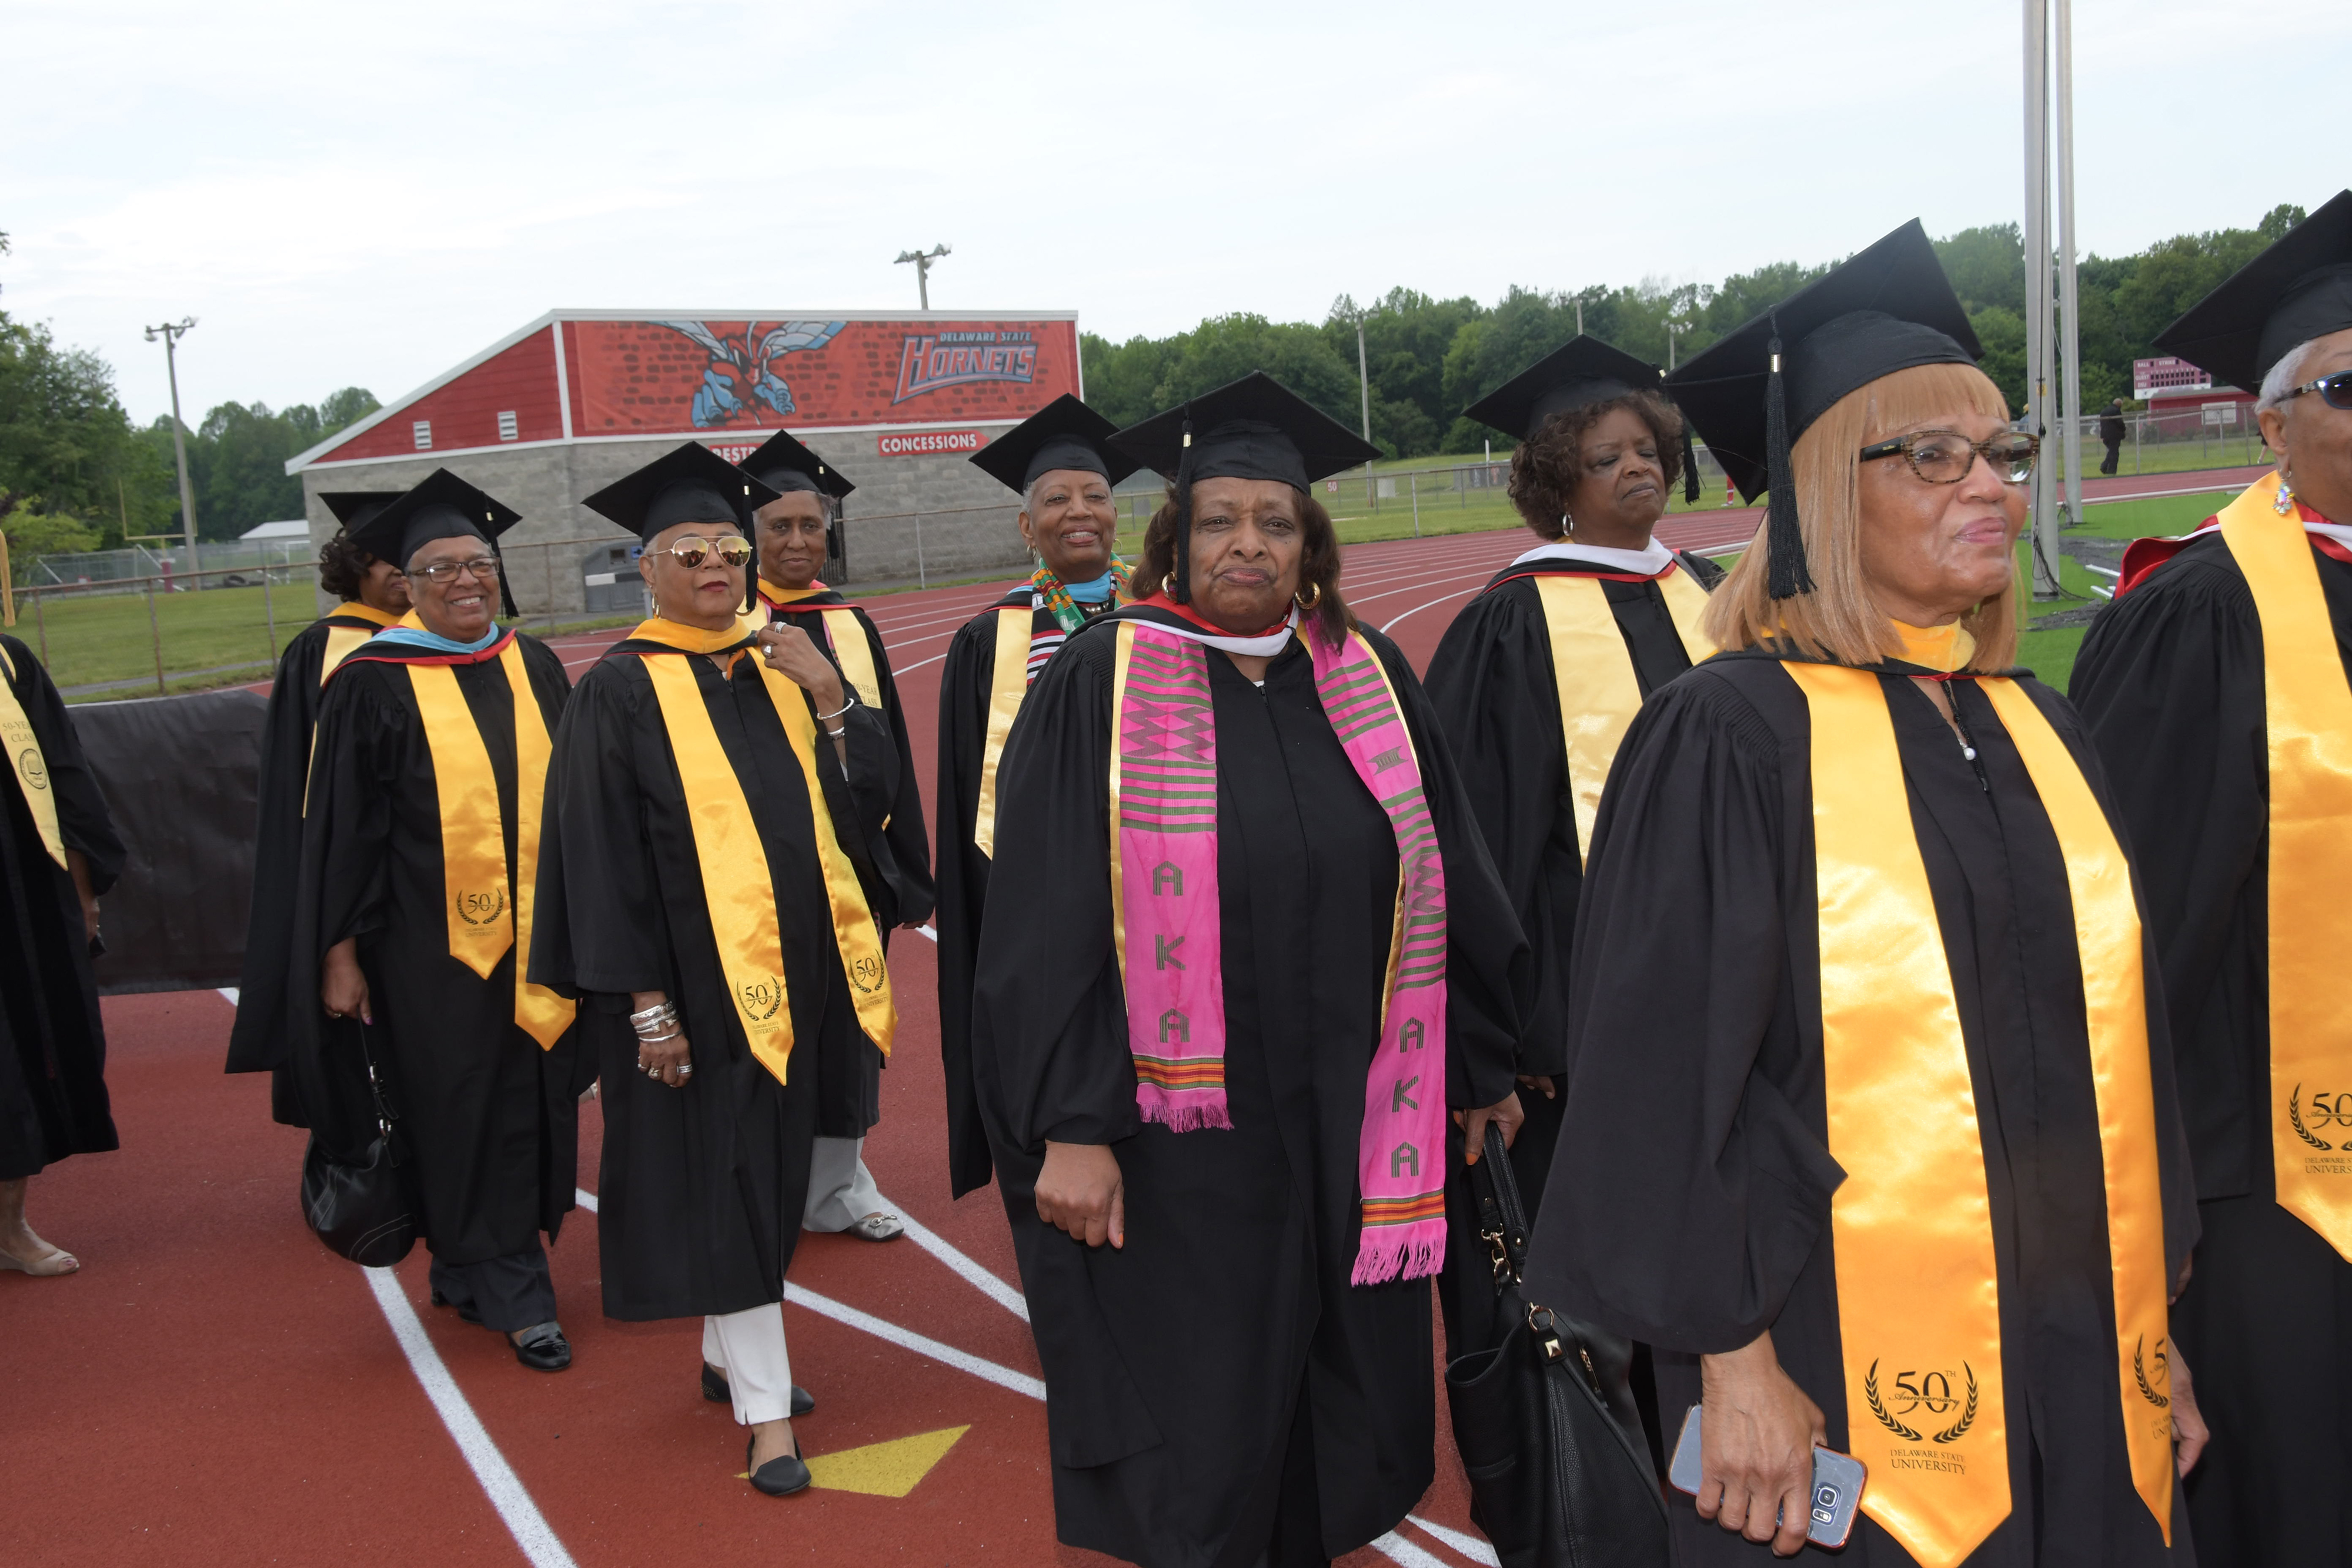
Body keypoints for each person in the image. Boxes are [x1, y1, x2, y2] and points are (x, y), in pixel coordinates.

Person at [1528, 221, 2204, 1566]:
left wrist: (2152, 1331)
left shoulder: (2035, 729)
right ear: (1829, 488)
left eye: (2002, 455)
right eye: (1934, 458)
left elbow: (2117, 1069)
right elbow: (1665, 1077)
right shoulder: (1726, 736)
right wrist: (1730, 1360)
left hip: (2080, 1352)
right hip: (1832, 1356)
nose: (1996, 490)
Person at [973, 372, 1529, 1567]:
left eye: (1273, 522)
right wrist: (1072, 1123)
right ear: (1173, 539)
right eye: (1218, 520)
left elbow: (1449, 874)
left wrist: (1479, 1063)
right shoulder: (1102, 681)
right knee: (1207, 1403)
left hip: (1353, 1102)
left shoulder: (1365, 673)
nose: (1247, 543)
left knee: (1340, 1397)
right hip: (1182, 1137)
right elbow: (1043, 919)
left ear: (1307, 542)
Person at [2069, 188, 2352, 1568]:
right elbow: (2131, 937)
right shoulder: (2192, 614)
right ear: (2270, 421)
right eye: (2350, 383)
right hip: (2275, 1182)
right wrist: (2144, 1214)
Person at [531, 442, 898, 1497]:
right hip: (694, 990)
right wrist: (645, 1008)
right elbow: (596, 859)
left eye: (728, 548)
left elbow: (858, 807)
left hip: (804, 973)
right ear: (644, 568)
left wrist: (833, 696)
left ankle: (720, 1353)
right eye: (689, 550)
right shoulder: (618, 689)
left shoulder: (780, 665)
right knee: (734, 1186)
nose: (716, 565)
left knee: (770, 1184)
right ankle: (768, 1418)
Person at [1425, 336, 1720, 1361]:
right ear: (1557, 479)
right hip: (1580, 1030)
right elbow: (1474, 855)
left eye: (1648, 448)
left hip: (1733, 1002)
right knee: (1600, 1301)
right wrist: (1496, 1046)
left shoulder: (1715, 595)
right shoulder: (1507, 626)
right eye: (1605, 457)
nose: (1638, 467)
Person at [287, 469, 583, 1371]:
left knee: (532, 1095)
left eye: (479, 562)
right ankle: (514, 1283)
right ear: (405, 586)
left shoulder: (531, 663)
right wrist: (338, 951)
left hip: (545, 933)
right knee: (463, 1102)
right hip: (428, 944)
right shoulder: (371, 683)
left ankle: (468, 1264)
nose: (466, 580)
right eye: (440, 567)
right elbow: (340, 835)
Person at [936, 393, 1141, 1201]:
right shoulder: (990, 641)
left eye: (1095, 496)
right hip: (1048, 892)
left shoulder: (1163, 613)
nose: (1079, 512)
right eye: (1056, 500)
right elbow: (968, 802)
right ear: (1028, 528)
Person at [740, 427, 931, 1244]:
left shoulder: (849, 620)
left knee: (849, 1029)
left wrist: (897, 862)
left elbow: (887, 750)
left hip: (849, 863)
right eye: (777, 526)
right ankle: (764, 1185)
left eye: (809, 525)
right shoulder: (724, 627)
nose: (795, 540)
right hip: (756, 872)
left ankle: (838, 1183)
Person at [226, 491, 412, 1123]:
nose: (402, 571)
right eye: (385, 556)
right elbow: (310, 805)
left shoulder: (446, 645)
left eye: (412, 556)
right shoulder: (326, 649)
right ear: (354, 565)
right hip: (354, 886)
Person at [0, 633, 123, 1276]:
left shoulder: (8, 661)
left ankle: (9, 1226)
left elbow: (64, 774)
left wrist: (82, 893)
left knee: (17, 1056)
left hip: (16, 897)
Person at [2099, 397, 2129, 476]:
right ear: (2119, 405)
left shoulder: (2104, 411)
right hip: (2114, 435)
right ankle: (2111, 470)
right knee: (2114, 453)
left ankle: (2104, 466)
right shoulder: (2116, 411)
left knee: (2112, 451)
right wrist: (2124, 429)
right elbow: (2120, 423)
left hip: (2105, 435)